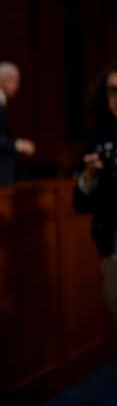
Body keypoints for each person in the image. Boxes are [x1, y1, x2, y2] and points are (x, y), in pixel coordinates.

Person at [75, 61, 117, 328]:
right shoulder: (97, 136)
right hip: (112, 245)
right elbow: (80, 202)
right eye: (113, 90)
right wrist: (89, 176)